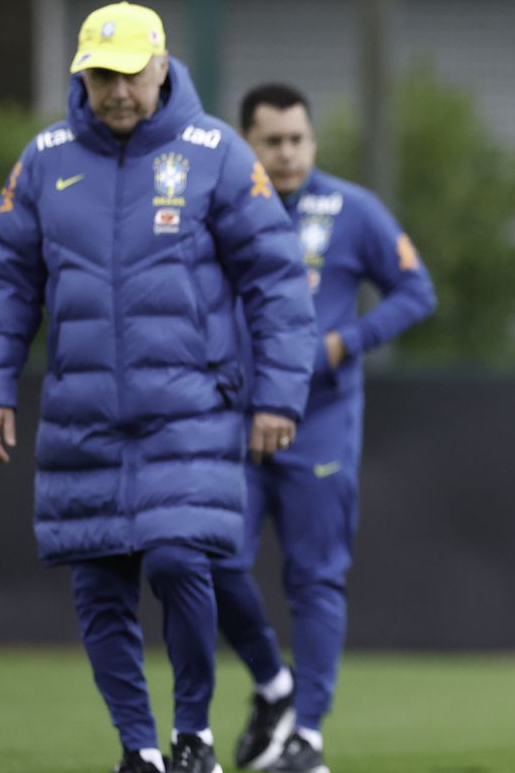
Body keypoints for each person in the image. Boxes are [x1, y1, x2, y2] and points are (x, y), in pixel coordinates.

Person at [0, 2, 316, 773]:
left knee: (179, 560)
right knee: (98, 586)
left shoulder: (217, 154)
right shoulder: (44, 160)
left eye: (129, 74)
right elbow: (3, 284)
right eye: (100, 76)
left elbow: (279, 285)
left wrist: (277, 397)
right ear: (82, 76)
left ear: (161, 67)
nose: (117, 91)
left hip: (190, 411)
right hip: (82, 416)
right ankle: (140, 750)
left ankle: (193, 735)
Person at [214, 83, 438, 773]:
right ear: (246, 142)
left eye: (297, 139)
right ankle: (272, 685)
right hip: (232, 423)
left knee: (315, 580)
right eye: (272, 141)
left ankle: (306, 736)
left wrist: (346, 342)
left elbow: (416, 291)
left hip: (320, 423)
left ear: (311, 140)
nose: (287, 153)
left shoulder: (350, 208)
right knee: (210, 562)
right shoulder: (220, 206)